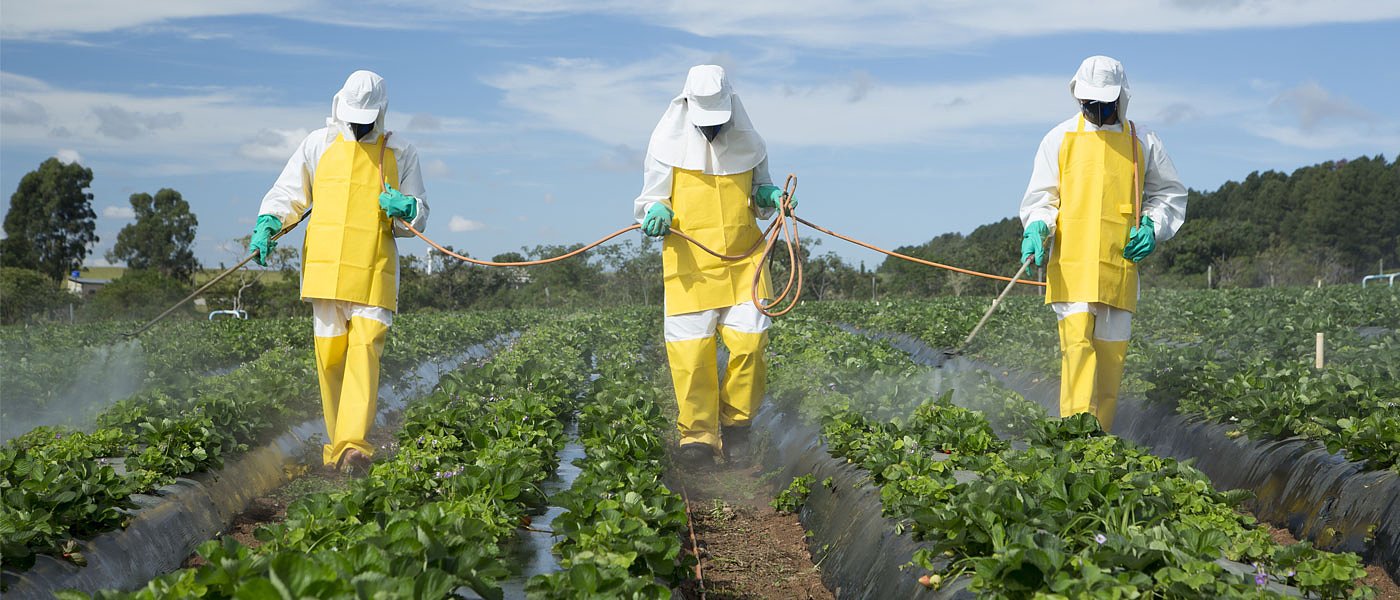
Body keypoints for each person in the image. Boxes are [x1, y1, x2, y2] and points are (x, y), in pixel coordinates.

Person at [249, 70, 429, 473]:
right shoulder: (318, 143)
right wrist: (268, 223)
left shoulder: (400, 152)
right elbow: (289, 193)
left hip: (373, 269)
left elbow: (418, 214)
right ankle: (337, 451)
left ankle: (353, 447)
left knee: (365, 352)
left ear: (381, 111)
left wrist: (407, 208)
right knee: (330, 360)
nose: (358, 124)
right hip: (325, 269)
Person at [634, 65, 795, 467]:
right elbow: (652, 198)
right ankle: (698, 438)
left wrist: (770, 196)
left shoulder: (750, 143)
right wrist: (656, 211)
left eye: (717, 121)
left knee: (751, 345)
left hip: (745, 261)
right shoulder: (665, 144)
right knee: (691, 356)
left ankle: (737, 427)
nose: (712, 129)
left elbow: (759, 193)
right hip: (690, 265)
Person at [1019, 56, 1186, 432]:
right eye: (1088, 102)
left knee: (1111, 364)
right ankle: (1075, 440)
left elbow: (1169, 194)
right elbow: (1042, 197)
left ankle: (1100, 443)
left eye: (1102, 103)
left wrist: (1152, 226)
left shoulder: (1143, 141)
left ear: (1120, 98)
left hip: (1119, 266)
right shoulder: (1059, 138)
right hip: (1072, 266)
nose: (1095, 109)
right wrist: (1038, 226)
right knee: (1077, 353)